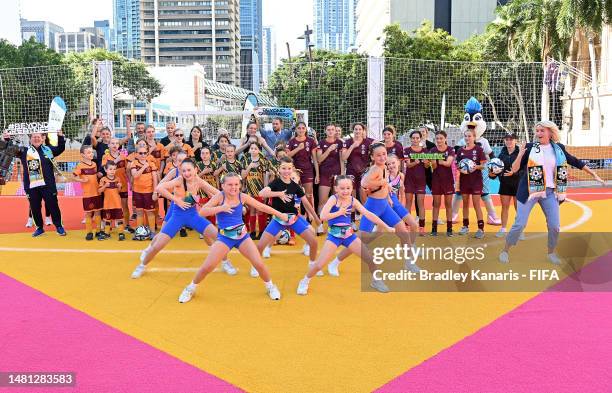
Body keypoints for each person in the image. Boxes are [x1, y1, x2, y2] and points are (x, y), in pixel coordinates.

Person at [499, 121, 605, 264]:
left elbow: (575, 161)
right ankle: (505, 250)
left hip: (550, 192)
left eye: (542, 131)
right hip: (530, 190)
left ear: (550, 132)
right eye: (537, 131)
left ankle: (551, 253)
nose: (538, 134)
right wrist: (520, 154)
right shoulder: (530, 148)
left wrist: (593, 174)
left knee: (554, 225)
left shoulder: (558, 148)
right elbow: (515, 168)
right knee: (520, 224)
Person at [177, 172, 289, 303]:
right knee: (207, 266)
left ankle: (270, 286)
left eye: (236, 184)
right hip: (225, 238)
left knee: (259, 263)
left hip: (242, 237)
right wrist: (221, 208)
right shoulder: (220, 196)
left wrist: (280, 214)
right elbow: (202, 212)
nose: (233, 187)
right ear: (223, 186)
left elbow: (261, 206)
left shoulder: (242, 196)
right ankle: (190, 288)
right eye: (230, 184)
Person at [131, 159, 238, 278]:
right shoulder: (179, 180)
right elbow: (160, 188)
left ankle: (225, 262)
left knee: (219, 238)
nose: (187, 173)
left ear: (195, 170)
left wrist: (231, 200)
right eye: (184, 171)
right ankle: (142, 265)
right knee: (157, 246)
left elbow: (217, 192)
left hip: (193, 216)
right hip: (178, 216)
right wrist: (176, 200)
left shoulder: (198, 181)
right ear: (181, 172)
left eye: (189, 170)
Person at [327, 143, 420, 279]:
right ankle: (335, 262)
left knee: (403, 233)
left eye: (384, 154)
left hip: (385, 206)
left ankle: (408, 262)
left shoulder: (384, 167)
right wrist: (383, 183)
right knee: (359, 240)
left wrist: (387, 195)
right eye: (378, 155)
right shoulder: (375, 169)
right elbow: (364, 183)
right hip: (373, 207)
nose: (382, 157)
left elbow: (383, 186)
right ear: (372, 157)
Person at [296, 175, 394, 295]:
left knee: (370, 259)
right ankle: (304, 281)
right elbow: (323, 216)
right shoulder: (333, 199)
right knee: (319, 265)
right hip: (334, 236)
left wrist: (386, 226)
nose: (345, 191)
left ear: (352, 188)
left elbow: (368, 214)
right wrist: (339, 212)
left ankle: (376, 281)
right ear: (336, 188)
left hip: (349, 236)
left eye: (348, 188)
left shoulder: (353, 200)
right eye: (342, 188)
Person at [257, 156, 321, 276]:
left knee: (314, 242)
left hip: (293, 219)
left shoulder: (295, 186)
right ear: (279, 169)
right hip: (278, 219)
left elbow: (306, 203)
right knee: (260, 245)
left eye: (289, 168)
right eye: (284, 168)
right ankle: (256, 266)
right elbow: (261, 194)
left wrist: (316, 218)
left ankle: (312, 264)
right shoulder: (275, 183)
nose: (286, 171)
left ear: (292, 169)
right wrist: (278, 194)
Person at [3, 130, 67, 237]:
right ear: (30, 139)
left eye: (38, 137)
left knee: (53, 205)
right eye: (34, 137)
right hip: (31, 186)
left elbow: (61, 148)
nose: (36, 138)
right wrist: (7, 139)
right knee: (35, 207)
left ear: (42, 138)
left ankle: (59, 226)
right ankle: (39, 228)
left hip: (48, 185)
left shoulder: (49, 150)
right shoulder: (24, 151)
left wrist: (60, 136)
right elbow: (11, 149)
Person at [456, 129, 487, 238]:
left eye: (469, 136)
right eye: (466, 136)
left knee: (476, 204)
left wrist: (473, 166)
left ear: (474, 137)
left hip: (476, 181)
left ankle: (481, 228)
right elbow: (457, 166)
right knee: (465, 203)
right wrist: (462, 168)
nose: (467, 138)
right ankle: (465, 226)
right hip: (464, 181)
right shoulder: (460, 151)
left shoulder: (478, 150)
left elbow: (483, 165)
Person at [490, 133, 520, 238]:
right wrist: (492, 174)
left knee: (519, 209)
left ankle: (519, 231)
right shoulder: (501, 154)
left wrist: (514, 173)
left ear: (515, 140)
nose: (508, 141)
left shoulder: (520, 153)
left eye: (511, 139)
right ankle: (503, 228)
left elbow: (525, 170)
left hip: (518, 184)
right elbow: (497, 170)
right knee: (505, 207)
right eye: (506, 139)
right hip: (505, 184)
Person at [287, 121, 319, 220]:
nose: (301, 130)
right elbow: (287, 156)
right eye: (299, 128)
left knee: (309, 194)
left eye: (303, 128)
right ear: (296, 130)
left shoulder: (311, 141)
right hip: (295, 171)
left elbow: (314, 159)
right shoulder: (292, 141)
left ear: (306, 129)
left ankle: (310, 215)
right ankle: (298, 216)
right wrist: (298, 148)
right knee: (295, 194)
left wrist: (317, 174)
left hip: (308, 170)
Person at [316, 124, 344, 234]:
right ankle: (320, 225)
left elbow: (342, 160)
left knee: (337, 200)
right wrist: (329, 149)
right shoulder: (322, 143)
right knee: (323, 200)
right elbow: (319, 159)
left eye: (332, 129)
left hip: (337, 174)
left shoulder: (340, 143)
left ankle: (335, 225)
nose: (331, 131)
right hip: (325, 174)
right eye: (328, 129)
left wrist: (342, 174)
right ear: (325, 131)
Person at [240, 142, 271, 239]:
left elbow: (266, 176)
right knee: (252, 211)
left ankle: (261, 232)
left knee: (260, 211)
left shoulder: (263, 161)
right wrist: (250, 167)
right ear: (249, 150)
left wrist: (266, 189)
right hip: (250, 190)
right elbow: (242, 176)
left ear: (259, 150)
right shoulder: (246, 160)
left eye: (255, 148)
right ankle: (252, 232)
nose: (253, 150)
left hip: (260, 190)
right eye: (251, 148)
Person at [72, 145, 103, 240]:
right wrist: (82, 180)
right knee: (88, 213)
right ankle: (89, 232)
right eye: (88, 152)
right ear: (82, 155)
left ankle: (98, 231)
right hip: (87, 194)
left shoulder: (94, 164)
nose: (91, 154)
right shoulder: (80, 165)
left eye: (92, 152)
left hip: (96, 192)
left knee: (98, 212)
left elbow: (95, 176)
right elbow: (73, 176)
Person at [101, 138, 131, 232]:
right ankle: (108, 225)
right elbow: (106, 169)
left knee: (124, 205)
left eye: (117, 143)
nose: (115, 145)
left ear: (119, 145)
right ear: (108, 145)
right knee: (110, 206)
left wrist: (131, 182)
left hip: (122, 185)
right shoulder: (105, 157)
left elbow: (127, 171)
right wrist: (116, 160)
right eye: (112, 143)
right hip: (110, 187)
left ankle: (126, 225)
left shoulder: (123, 156)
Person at [429, 131, 455, 236]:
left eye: (441, 138)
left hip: (448, 181)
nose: (439, 140)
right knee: (436, 204)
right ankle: (434, 229)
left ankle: (449, 229)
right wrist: (433, 162)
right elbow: (433, 167)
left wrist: (438, 159)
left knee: (448, 205)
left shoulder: (450, 149)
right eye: (437, 139)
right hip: (436, 181)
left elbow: (448, 163)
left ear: (445, 138)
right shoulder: (432, 150)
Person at [129, 145, 159, 236]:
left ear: (147, 153)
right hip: (137, 192)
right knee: (139, 212)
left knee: (150, 212)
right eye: (140, 153)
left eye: (145, 153)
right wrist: (143, 167)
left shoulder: (152, 164)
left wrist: (155, 192)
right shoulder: (133, 163)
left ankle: (152, 232)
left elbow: (155, 179)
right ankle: (139, 232)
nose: (143, 155)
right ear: (136, 154)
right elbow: (135, 176)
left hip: (149, 192)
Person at [341, 122, 373, 204]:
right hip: (351, 171)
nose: (357, 131)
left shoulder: (368, 142)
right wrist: (352, 146)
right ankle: (353, 215)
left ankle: (365, 214)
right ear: (353, 130)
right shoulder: (347, 142)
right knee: (351, 194)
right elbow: (344, 157)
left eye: (360, 129)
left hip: (364, 171)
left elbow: (380, 143)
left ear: (363, 131)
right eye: (356, 129)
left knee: (363, 194)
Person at [403, 130, 428, 235]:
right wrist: (417, 161)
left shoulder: (425, 151)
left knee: (420, 203)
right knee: (408, 202)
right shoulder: (407, 150)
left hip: (421, 180)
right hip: (409, 180)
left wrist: (427, 163)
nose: (415, 140)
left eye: (417, 138)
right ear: (410, 139)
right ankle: (407, 225)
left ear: (420, 139)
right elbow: (408, 165)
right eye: (413, 138)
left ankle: (422, 227)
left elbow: (427, 166)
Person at [387, 154, 418, 237]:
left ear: (398, 162)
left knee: (414, 225)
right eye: (388, 164)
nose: (391, 166)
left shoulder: (401, 176)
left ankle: (411, 245)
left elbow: (401, 191)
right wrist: (389, 198)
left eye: (393, 163)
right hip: (386, 204)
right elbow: (383, 191)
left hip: (395, 203)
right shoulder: (386, 174)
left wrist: (401, 203)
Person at [98, 161, 126, 241]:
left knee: (119, 219)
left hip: (117, 204)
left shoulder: (117, 179)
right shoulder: (103, 179)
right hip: (107, 204)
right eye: (110, 169)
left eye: (114, 169)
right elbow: (99, 191)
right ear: (105, 170)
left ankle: (121, 233)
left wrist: (119, 187)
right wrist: (105, 186)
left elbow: (119, 191)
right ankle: (107, 233)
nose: (112, 171)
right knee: (107, 220)